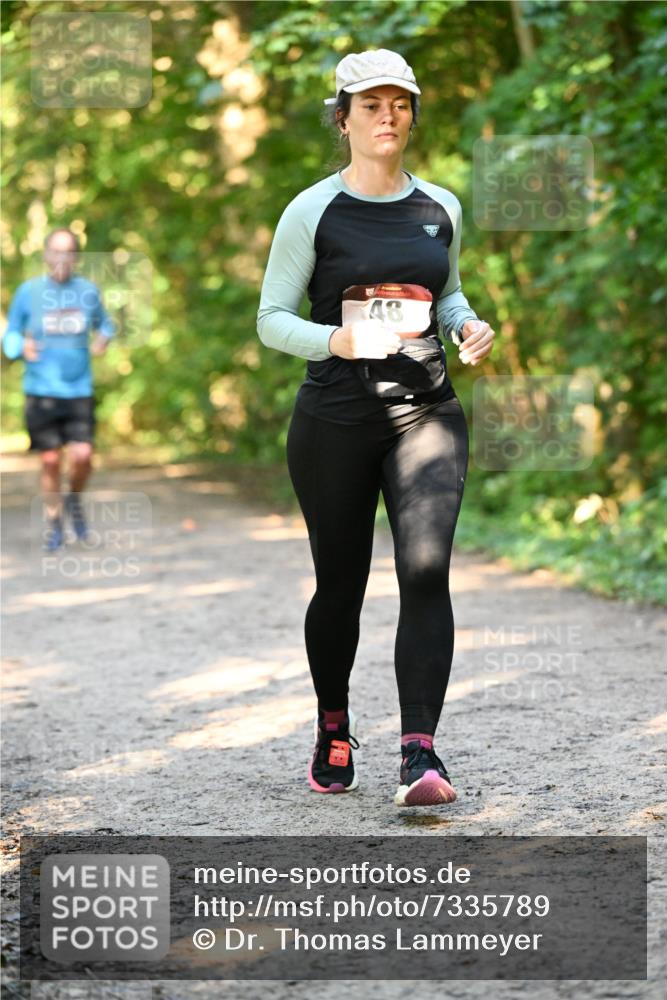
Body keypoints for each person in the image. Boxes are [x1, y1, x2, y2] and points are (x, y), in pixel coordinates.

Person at [257, 49, 495, 807]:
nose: (386, 117)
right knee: (342, 587)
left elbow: (445, 292)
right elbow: (270, 320)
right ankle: (333, 725)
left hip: (426, 414)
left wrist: (468, 325)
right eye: (370, 106)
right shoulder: (311, 210)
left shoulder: (441, 207)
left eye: (399, 104)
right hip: (333, 418)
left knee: (425, 572)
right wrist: (336, 340)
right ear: (343, 117)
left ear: (412, 115)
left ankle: (419, 752)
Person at [2, 228, 115, 551]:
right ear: (46, 255)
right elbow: (10, 335)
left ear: (77, 257)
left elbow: (105, 323)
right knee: (50, 461)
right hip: (41, 391)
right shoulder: (29, 292)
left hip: (79, 389)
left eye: (69, 251)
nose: (62, 258)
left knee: (83, 456)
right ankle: (55, 525)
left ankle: (74, 502)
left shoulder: (87, 292)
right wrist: (19, 347)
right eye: (56, 250)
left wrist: (103, 337)